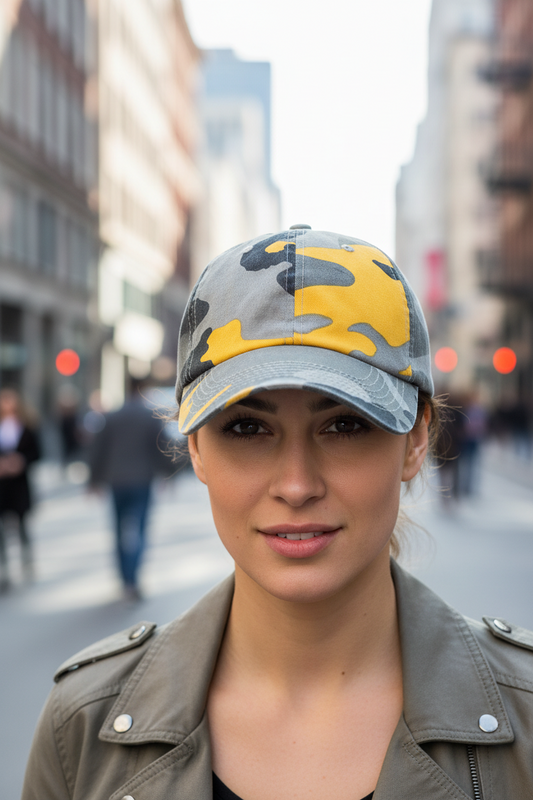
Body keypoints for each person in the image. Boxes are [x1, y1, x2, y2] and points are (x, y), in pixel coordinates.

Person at [22, 227, 533, 799]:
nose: (296, 484)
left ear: (416, 439)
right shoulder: (85, 724)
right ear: (194, 446)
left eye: (344, 424)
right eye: (247, 427)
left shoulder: (526, 721)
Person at [88, 378, 169, 600]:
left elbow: (98, 450)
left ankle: (124, 579)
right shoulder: (150, 416)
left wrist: (93, 481)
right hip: (142, 480)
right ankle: (133, 579)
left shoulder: (112, 416)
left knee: (119, 530)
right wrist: (168, 474)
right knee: (139, 530)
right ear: (143, 390)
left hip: (117, 481)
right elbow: (161, 447)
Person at [0, 388, 40, 589]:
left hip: (20, 486)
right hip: (2, 487)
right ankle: (4, 569)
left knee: (23, 526)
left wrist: (21, 461)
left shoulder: (26, 427)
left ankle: (27, 563)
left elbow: (37, 453)